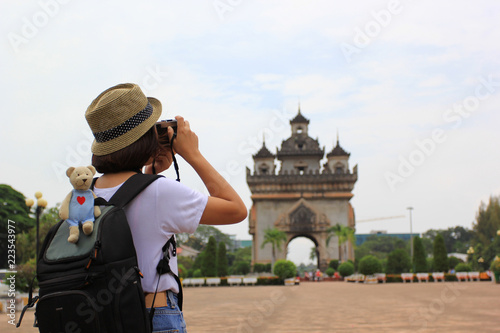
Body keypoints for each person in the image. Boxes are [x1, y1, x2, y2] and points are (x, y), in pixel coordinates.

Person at [85, 83, 247, 332]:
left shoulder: (85, 194)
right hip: (153, 316)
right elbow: (236, 209)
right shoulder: (159, 193)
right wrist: (193, 154)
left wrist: (148, 174)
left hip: (100, 319)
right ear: (146, 138)